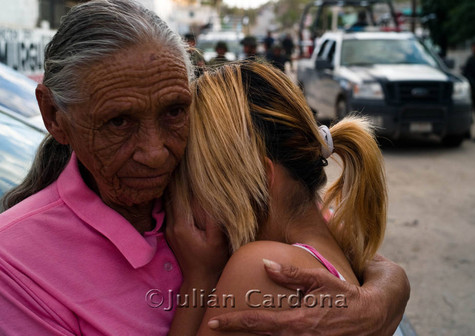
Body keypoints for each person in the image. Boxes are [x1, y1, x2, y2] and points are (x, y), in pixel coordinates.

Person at [0, 0, 409, 335]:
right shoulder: (14, 263)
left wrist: (383, 295)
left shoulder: (219, 199)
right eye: (119, 121)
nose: (157, 153)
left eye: (175, 111)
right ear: (54, 116)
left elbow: (336, 240)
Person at [171, 61, 406, 335]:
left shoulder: (265, 268)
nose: (187, 203)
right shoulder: (337, 244)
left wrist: (199, 278)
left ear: (259, 177)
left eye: (196, 184)